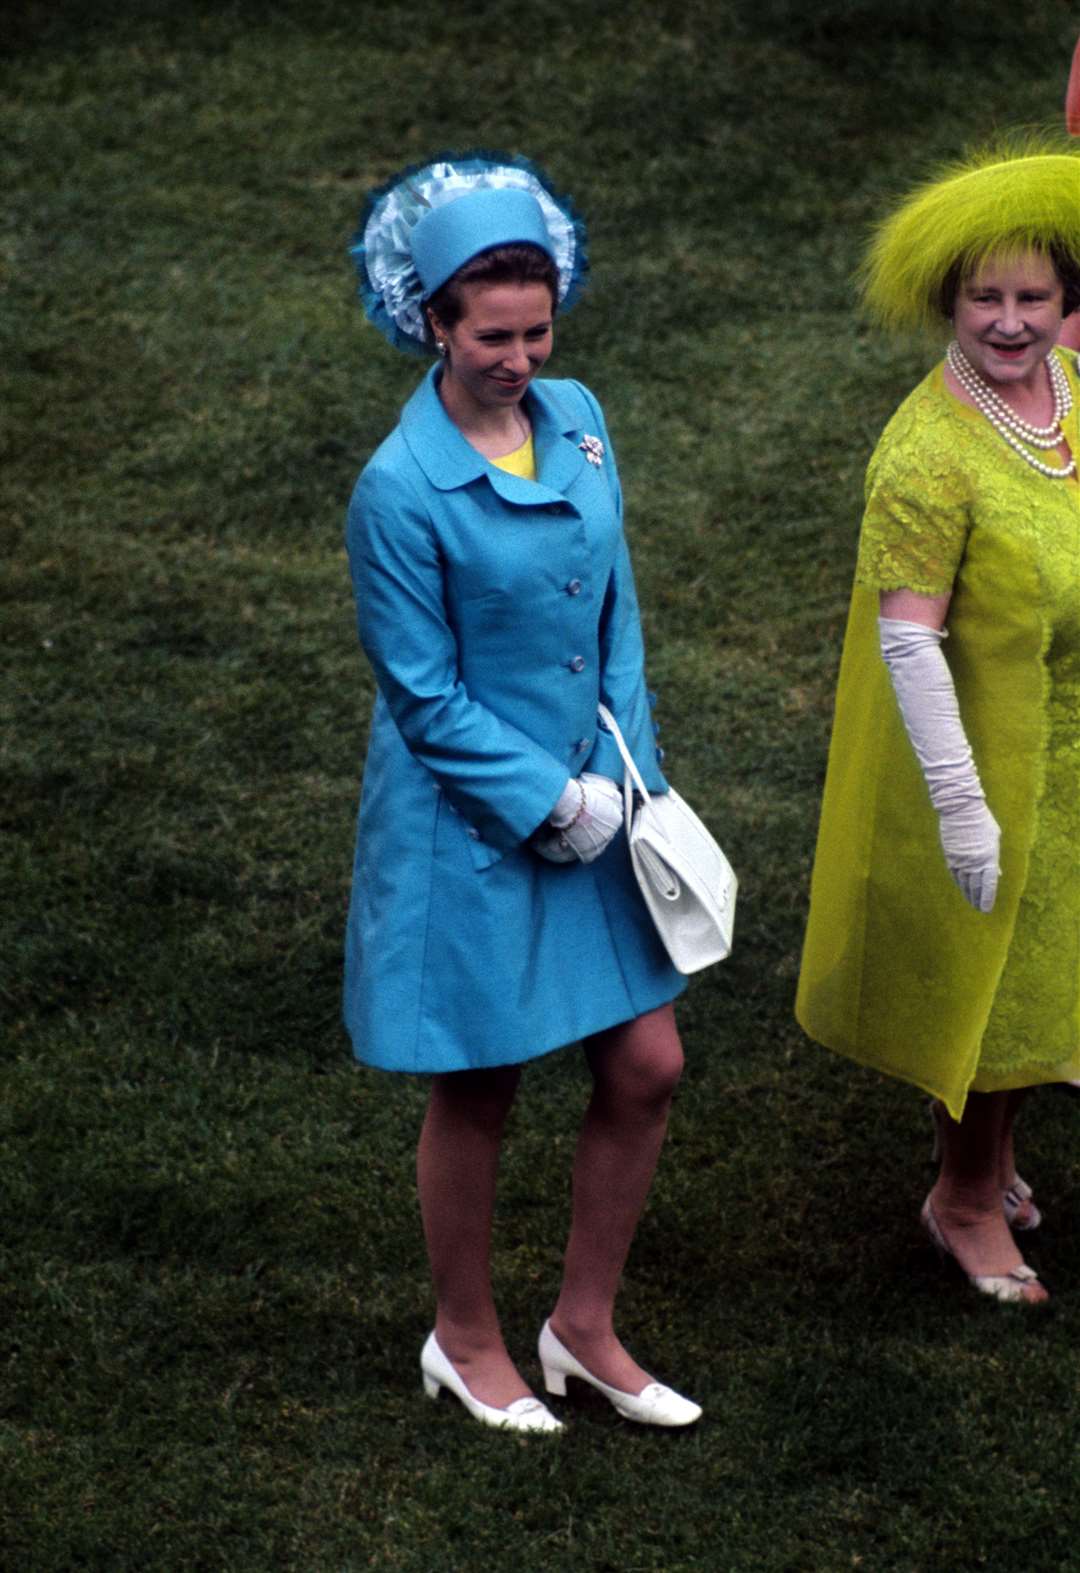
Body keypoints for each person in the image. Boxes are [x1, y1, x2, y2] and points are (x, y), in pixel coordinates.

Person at [342, 154, 701, 1430]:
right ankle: (465, 1335)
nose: (520, 357)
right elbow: (424, 696)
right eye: (491, 334)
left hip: (601, 804)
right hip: (475, 831)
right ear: (430, 321)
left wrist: (629, 779)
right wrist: (548, 800)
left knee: (648, 1063)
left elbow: (615, 615)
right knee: (482, 1085)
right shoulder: (397, 491)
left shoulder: (583, 415)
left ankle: (583, 1326)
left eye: (537, 330)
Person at [796, 140, 1080, 1305]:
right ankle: (964, 1197)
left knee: (1052, 969)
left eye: (1032, 298)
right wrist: (964, 809)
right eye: (984, 299)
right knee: (1000, 988)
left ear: (1069, 304)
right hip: (980, 752)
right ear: (945, 302)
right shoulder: (925, 456)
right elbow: (909, 640)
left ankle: (993, 1161)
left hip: (1063, 727)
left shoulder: (1071, 390)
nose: (1009, 323)